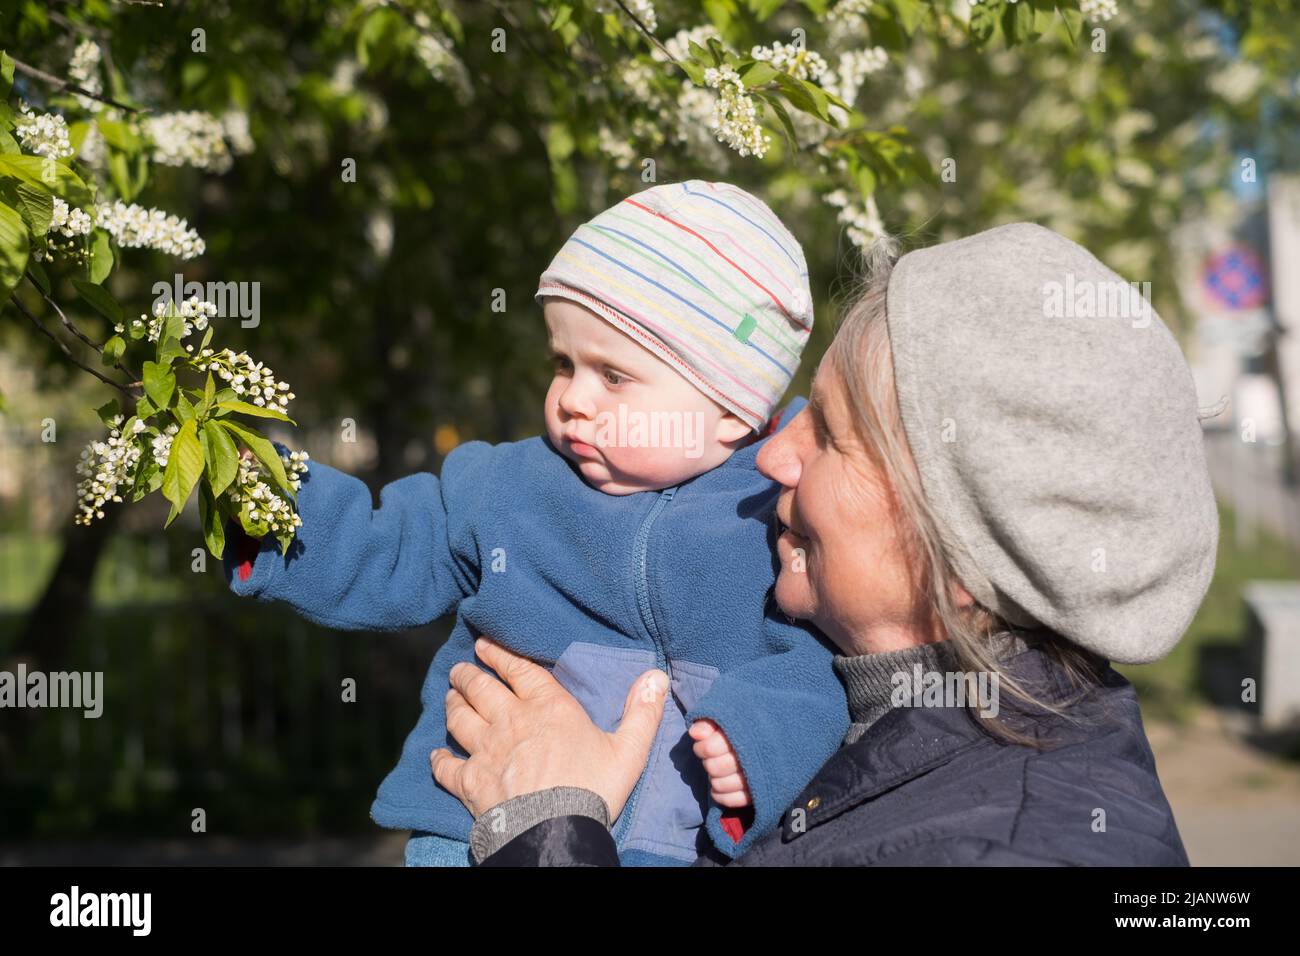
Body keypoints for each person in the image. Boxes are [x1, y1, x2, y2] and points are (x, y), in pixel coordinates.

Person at [431, 222, 1221, 866]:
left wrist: (545, 834)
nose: (773, 456)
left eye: (833, 436)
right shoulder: (855, 711)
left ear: (961, 551)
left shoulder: (1012, 846)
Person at [221, 180, 851, 866]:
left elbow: (819, 663)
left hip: (678, 843)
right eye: (563, 363)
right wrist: (266, 499)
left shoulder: (778, 511)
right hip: (470, 823)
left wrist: (757, 743)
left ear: (731, 405)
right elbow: (391, 543)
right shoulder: (510, 487)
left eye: (613, 376)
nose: (572, 398)